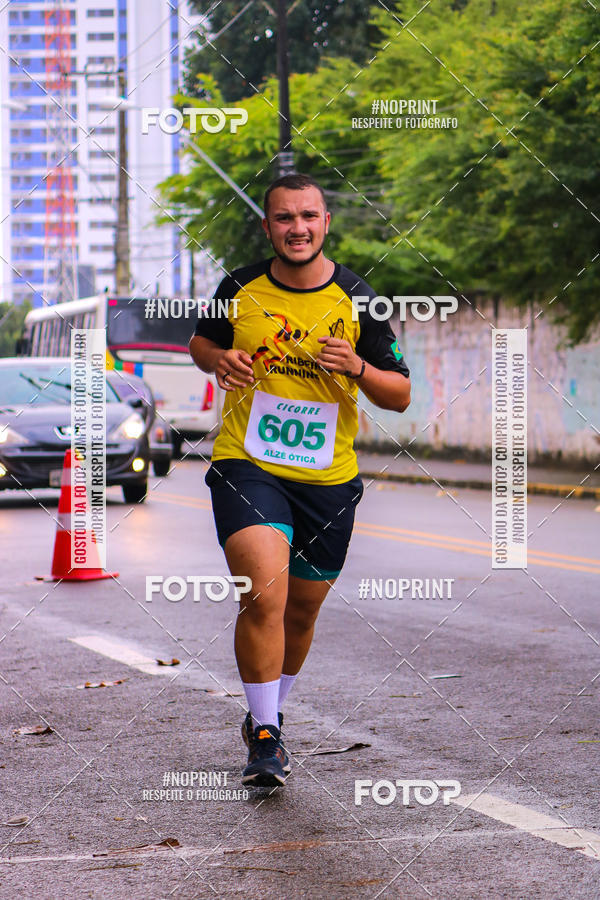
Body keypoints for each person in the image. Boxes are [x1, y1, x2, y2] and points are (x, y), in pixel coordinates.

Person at [189, 173, 410, 787]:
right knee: (264, 593)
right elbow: (201, 343)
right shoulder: (239, 286)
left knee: (302, 611)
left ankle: (270, 709)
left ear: (325, 223)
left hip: (328, 479)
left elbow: (399, 395)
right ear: (268, 227)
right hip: (248, 464)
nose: (297, 228)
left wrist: (359, 366)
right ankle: (265, 735)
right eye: (284, 218)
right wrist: (219, 359)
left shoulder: (359, 298)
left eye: (308, 216)